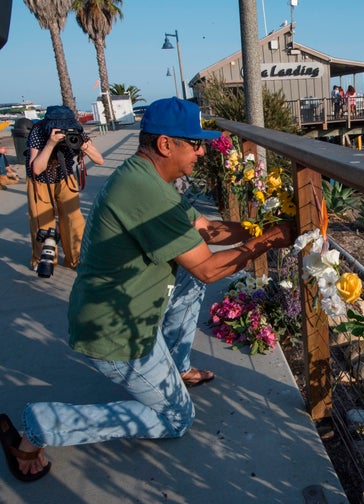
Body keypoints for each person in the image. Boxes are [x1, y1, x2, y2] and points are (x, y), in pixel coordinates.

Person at [0, 97, 296, 482]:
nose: (201, 151)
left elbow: (207, 230)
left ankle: (176, 365)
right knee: (177, 417)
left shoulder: (148, 177)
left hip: (127, 314)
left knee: (186, 278)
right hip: (115, 334)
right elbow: (208, 269)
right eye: (194, 143)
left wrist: (266, 227)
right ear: (165, 145)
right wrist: (269, 241)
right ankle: (40, 425)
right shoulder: (146, 193)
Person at [25, 106, 104, 270]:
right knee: (41, 220)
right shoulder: (38, 132)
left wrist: (84, 146)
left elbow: (99, 160)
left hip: (65, 175)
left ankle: (76, 259)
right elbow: (37, 169)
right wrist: (50, 143)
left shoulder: (76, 132)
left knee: (73, 219)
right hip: (39, 179)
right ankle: (43, 260)